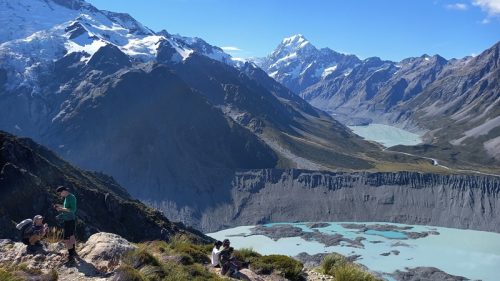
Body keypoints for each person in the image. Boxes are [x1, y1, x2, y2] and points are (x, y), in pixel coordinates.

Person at [54, 186, 77, 261]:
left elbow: (73, 209)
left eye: (60, 193)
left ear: (64, 191)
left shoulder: (71, 197)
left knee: (66, 239)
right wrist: (60, 207)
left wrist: (61, 209)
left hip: (69, 220)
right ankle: (73, 251)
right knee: (71, 235)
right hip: (69, 219)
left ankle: (71, 256)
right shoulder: (67, 197)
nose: (60, 195)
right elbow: (66, 208)